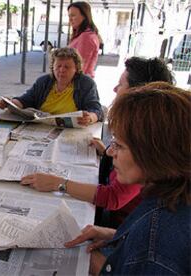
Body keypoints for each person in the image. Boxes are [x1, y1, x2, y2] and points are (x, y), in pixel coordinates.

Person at [21, 57, 174, 227]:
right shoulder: (146, 133)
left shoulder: (145, 141)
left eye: (121, 84)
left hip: (119, 224)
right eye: (58, 66)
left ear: (138, 93)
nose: (114, 89)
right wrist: (107, 151)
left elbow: (114, 197)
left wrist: (58, 183)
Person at [65, 83, 190, 275]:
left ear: (155, 155)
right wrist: (117, 236)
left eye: (120, 145)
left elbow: (154, 254)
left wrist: (96, 264)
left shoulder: (156, 246)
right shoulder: (174, 193)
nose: (111, 151)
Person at [0, 47, 103, 126]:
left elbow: (96, 110)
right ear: (52, 67)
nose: (62, 70)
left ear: (76, 69)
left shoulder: (86, 84)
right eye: (58, 66)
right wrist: (9, 103)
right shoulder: (44, 81)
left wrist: (90, 118)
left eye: (67, 67)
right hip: (42, 127)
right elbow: (26, 100)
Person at [68, 1, 100, 78]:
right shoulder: (85, 34)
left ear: (84, 16)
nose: (70, 19)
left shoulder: (86, 36)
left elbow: (80, 65)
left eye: (73, 15)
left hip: (79, 83)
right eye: (69, 16)